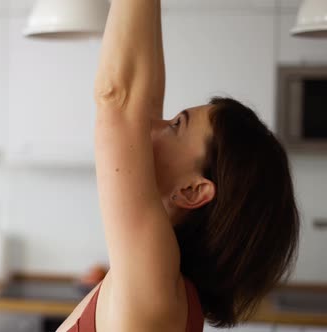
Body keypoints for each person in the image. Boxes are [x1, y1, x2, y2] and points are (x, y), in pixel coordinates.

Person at [56, 0, 299, 331]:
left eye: (174, 126)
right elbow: (135, 103)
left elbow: (119, 99)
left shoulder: (153, 284)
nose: (149, 126)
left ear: (192, 190)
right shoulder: (160, 284)